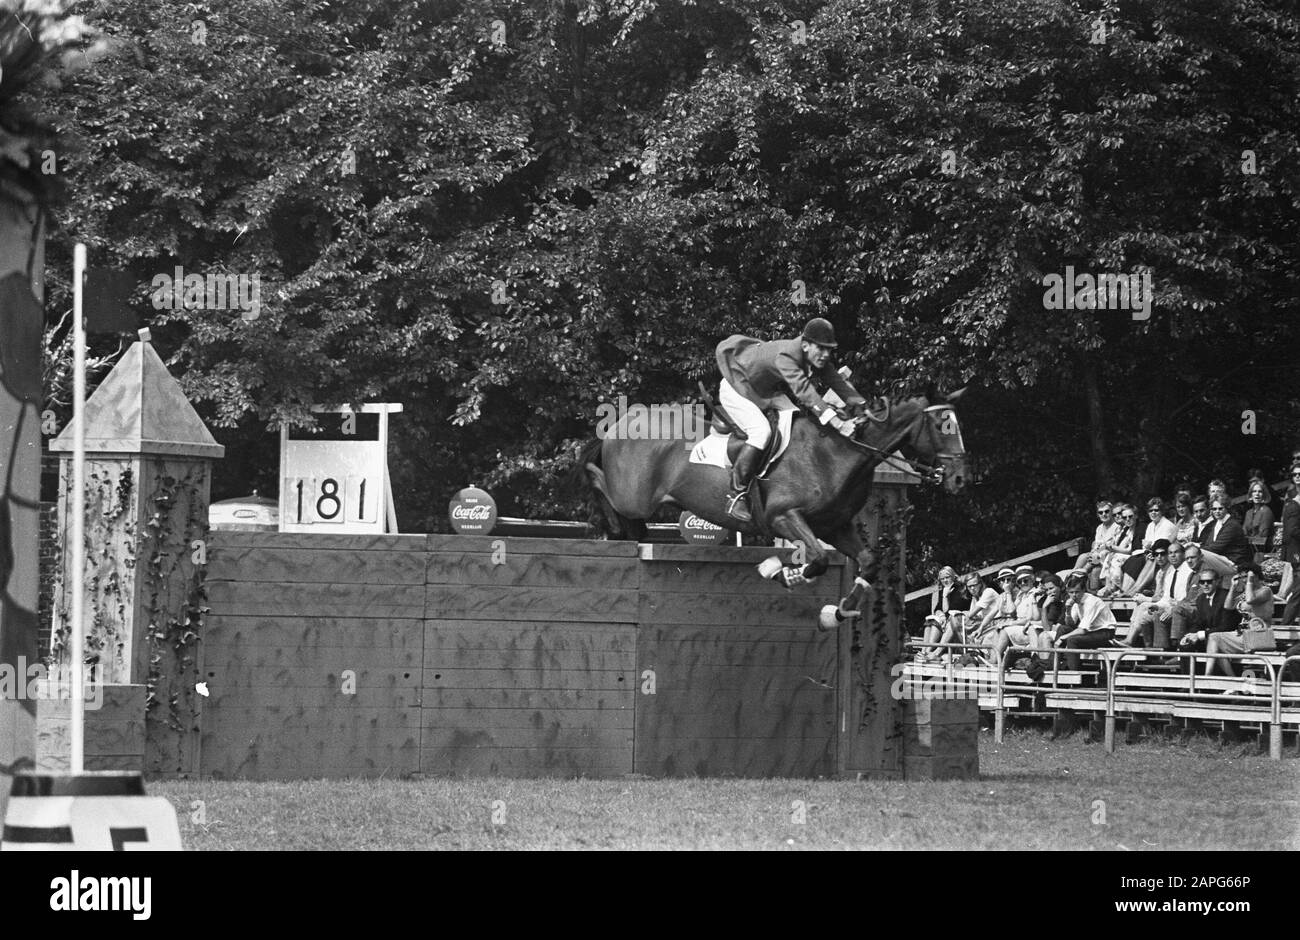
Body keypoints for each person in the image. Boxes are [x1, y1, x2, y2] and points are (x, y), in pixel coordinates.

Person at [714, 318, 868, 522]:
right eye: (821, 349)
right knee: (762, 432)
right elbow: (805, 392)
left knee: (795, 421)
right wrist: (839, 424)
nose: (826, 355)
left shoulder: (813, 357)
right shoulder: (786, 356)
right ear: (805, 345)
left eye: (829, 350)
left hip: (762, 390)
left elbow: (837, 383)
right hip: (737, 387)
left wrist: (864, 407)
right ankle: (736, 494)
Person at [1050, 571, 1118, 671]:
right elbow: (1071, 624)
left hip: (1105, 632)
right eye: (1071, 592)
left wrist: (1063, 637)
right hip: (1091, 632)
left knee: (1072, 640)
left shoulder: (1091, 601)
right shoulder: (1075, 602)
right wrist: (1068, 610)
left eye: (1077, 592)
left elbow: (1082, 630)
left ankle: (1074, 673)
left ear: (1083, 591)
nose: (1074, 595)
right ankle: (1053, 666)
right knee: (1062, 628)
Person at [1120, 539, 1180, 650]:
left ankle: (1130, 640)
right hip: (1161, 604)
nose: (1159, 557)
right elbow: (1157, 594)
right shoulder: (1160, 571)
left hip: (1170, 606)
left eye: (1162, 554)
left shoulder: (1171, 570)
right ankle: (1138, 643)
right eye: (1156, 554)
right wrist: (1146, 597)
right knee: (1142, 607)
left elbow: (1163, 597)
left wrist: (1146, 598)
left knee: (1143, 606)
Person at [1081, 500, 1120, 592]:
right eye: (1100, 512)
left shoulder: (1117, 527)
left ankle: (1081, 573)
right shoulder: (1099, 528)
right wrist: (1093, 552)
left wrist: (1097, 555)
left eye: (1107, 511)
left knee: (1095, 571)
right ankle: (1075, 572)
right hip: (1096, 557)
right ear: (1098, 515)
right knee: (1083, 556)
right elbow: (1096, 546)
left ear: (1111, 512)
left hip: (1108, 558)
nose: (1104, 514)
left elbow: (1115, 547)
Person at [1202, 497, 1252, 566]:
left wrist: (1195, 549)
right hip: (1221, 560)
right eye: (1214, 509)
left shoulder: (1232, 525)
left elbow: (1216, 548)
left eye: (1220, 508)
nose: (1217, 511)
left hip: (1234, 563)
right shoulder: (1216, 523)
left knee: (1196, 558)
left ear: (1227, 508)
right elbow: (1208, 543)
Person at [1241, 480, 1275, 560]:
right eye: (1254, 491)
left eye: (1260, 491)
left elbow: (1262, 538)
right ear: (1250, 495)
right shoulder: (1248, 512)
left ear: (1264, 495)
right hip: (1249, 550)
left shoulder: (1266, 511)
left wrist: (1245, 539)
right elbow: (1243, 533)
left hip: (1263, 553)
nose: (1257, 494)